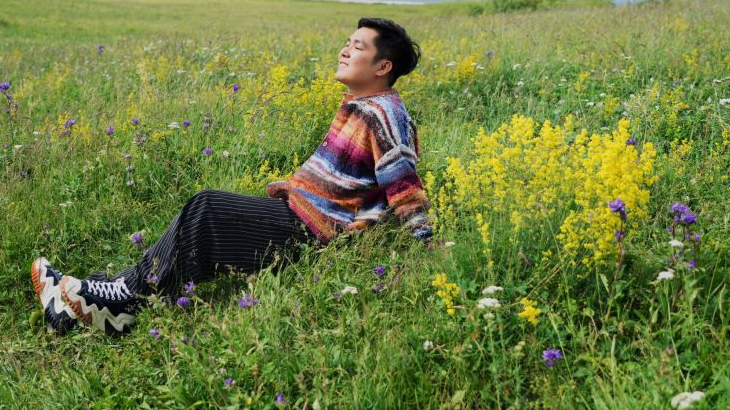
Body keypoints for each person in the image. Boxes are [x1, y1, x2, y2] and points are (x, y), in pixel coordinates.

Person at [31, 17, 435, 336]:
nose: (345, 50)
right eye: (347, 42)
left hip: (315, 233)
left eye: (358, 46)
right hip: (301, 216)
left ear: (384, 66)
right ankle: (80, 305)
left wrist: (428, 245)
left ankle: (114, 297)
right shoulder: (362, 104)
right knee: (199, 224)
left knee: (207, 207)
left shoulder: (385, 115)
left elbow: (404, 186)